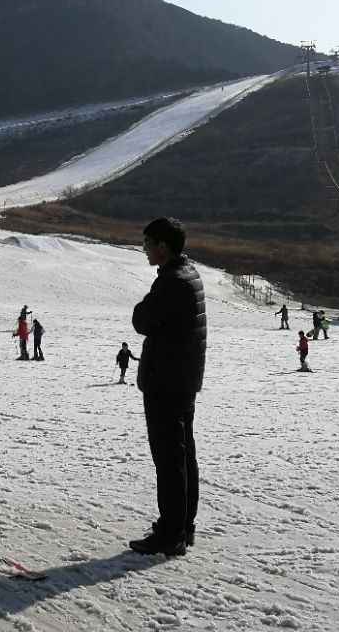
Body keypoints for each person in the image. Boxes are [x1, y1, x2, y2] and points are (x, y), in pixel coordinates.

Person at [129, 216, 206, 558]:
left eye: (147, 243)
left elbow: (141, 320)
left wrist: (144, 310)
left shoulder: (172, 281)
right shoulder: (188, 274)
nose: (144, 249)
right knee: (183, 452)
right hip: (181, 378)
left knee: (169, 457)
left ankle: (171, 532)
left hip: (167, 379)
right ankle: (182, 525)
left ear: (162, 245)